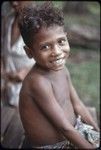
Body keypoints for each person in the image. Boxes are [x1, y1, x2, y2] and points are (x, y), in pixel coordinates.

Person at [18, 2, 100, 149]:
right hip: (54, 146)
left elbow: (78, 105)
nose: (56, 51)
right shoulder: (37, 82)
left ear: (66, 38)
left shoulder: (62, 70)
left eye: (61, 41)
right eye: (45, 47)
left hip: (76, 130)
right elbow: (64, 128)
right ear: (29, 52)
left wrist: (98, 132)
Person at [1, 1, 35, 107]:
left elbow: (51, 57)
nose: (14, 3)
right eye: (11, 1)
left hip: (30, 90)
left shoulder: (38, 23)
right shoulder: (7, 19)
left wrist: (27, 72)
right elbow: (3, 50)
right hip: (7, 91)